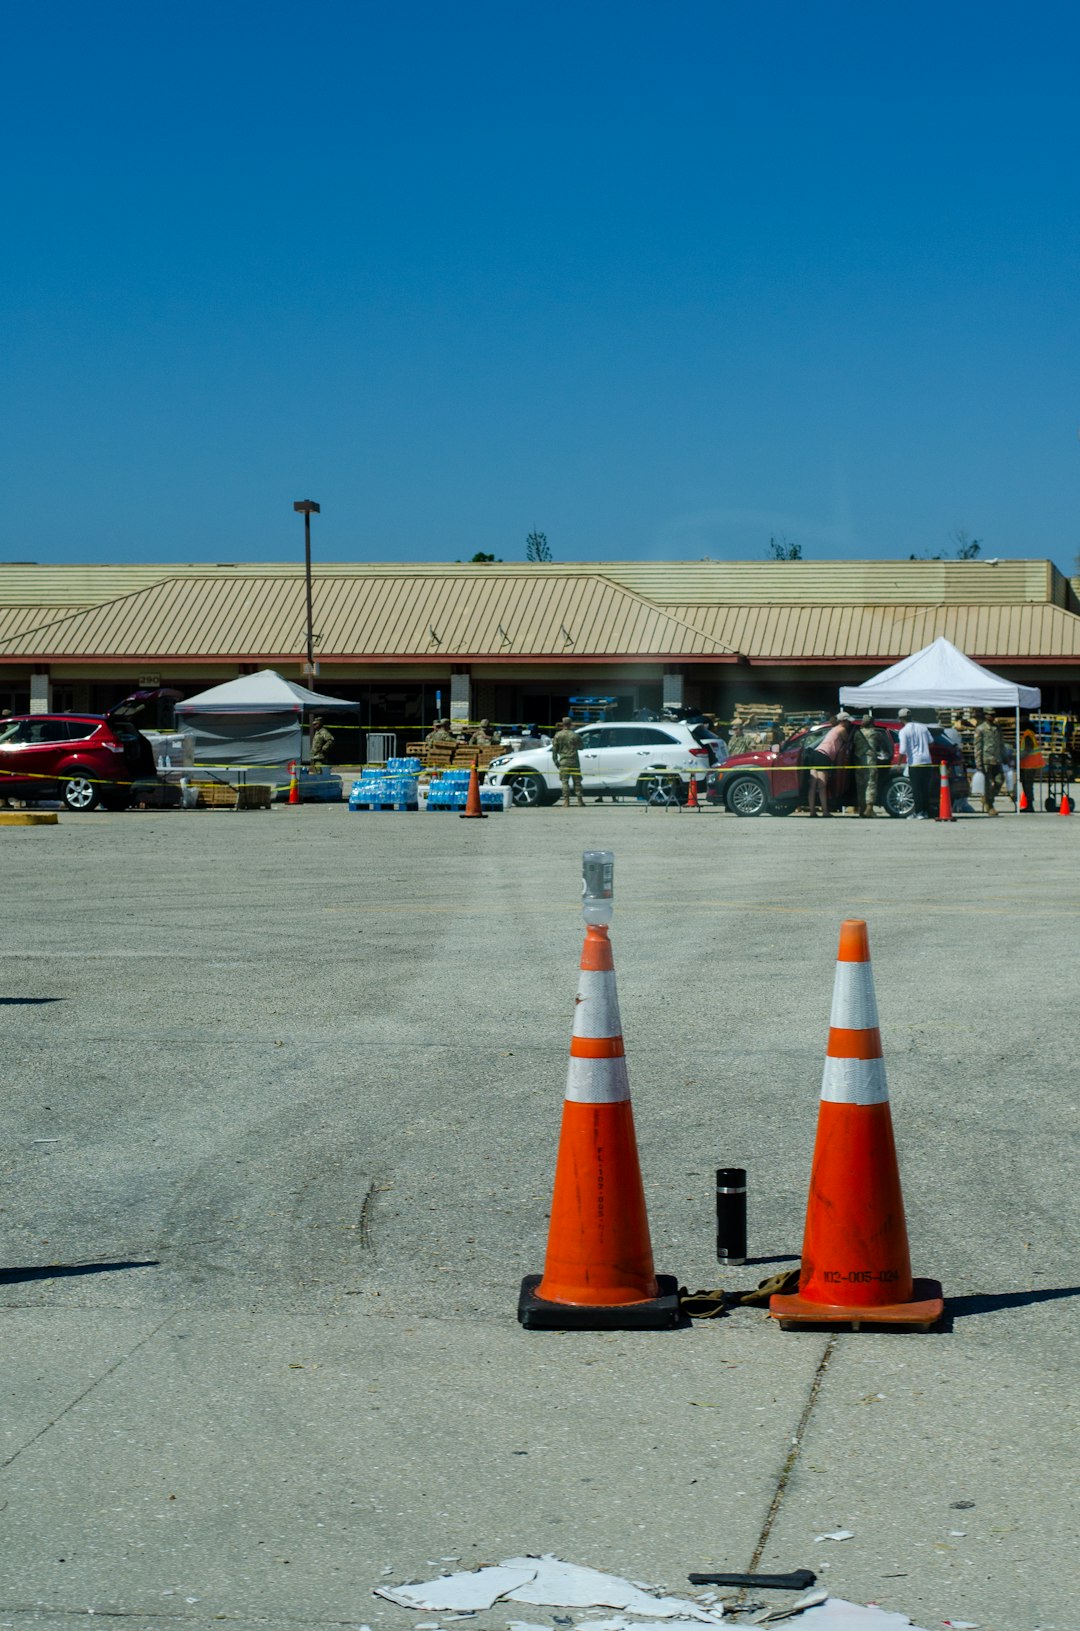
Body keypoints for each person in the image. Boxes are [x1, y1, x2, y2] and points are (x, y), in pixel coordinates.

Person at [806, 712, 851, 817]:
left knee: (812, 786)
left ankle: (812, 811)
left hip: (816, 753)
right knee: (822, 786)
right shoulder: (841, 729)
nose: (849, 724)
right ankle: (825, 812)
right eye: (848, 721)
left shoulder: (833, 729)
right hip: (824, 756)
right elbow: (848, 740)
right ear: (843, 721)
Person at [897, 708, 934, 819]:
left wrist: (899, 763)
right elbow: (931, 742)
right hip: (927, 761)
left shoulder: (903, 731)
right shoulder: (923, 727)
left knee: (916, 789)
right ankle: (926, 811)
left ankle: (918, 812)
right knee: (925, 788)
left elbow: (902, 750)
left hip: (915, 763)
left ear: (900, 719)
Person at [973, 707, 1004, 816]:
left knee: (999, 780)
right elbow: (977, 747)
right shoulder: (980, 729)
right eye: (989, 714)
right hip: (986, 759)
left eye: (993, 714)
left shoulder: (997, 728)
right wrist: (978, 763)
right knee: (987, 784)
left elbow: (1001, 744)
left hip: (997, 759)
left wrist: (1005, 757)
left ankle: (988, 799)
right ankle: (989, 805)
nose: (991, 717)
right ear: (985, 715)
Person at [851, 715, 883, 817]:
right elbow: (880, 745)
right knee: (871, 784)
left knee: (861, 786)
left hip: (858, 762)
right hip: (870, 762)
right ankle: (869, 809)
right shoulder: (874, 733)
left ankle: (862, 809)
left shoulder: (856, 733)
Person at [551, 716, 585, 807]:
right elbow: (581, 747)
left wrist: (556, 761)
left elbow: (554, 751)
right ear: (570, 724)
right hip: (574, 761)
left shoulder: (558, 735)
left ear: (563, 724)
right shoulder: (575, 735)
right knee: (577, 782)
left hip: (563, 762)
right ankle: (580, 800)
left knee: (564, 782)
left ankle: (566, 801)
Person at [1018, 717, 1044, 811]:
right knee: (1027, 784)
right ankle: (1029, 804)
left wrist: (1017, 758)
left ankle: (1030, 805)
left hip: (1029, 765)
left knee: (1027, 784)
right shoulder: (1030, 734)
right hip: (1030, 764)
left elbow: (1027, 750)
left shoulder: (1027, 735)